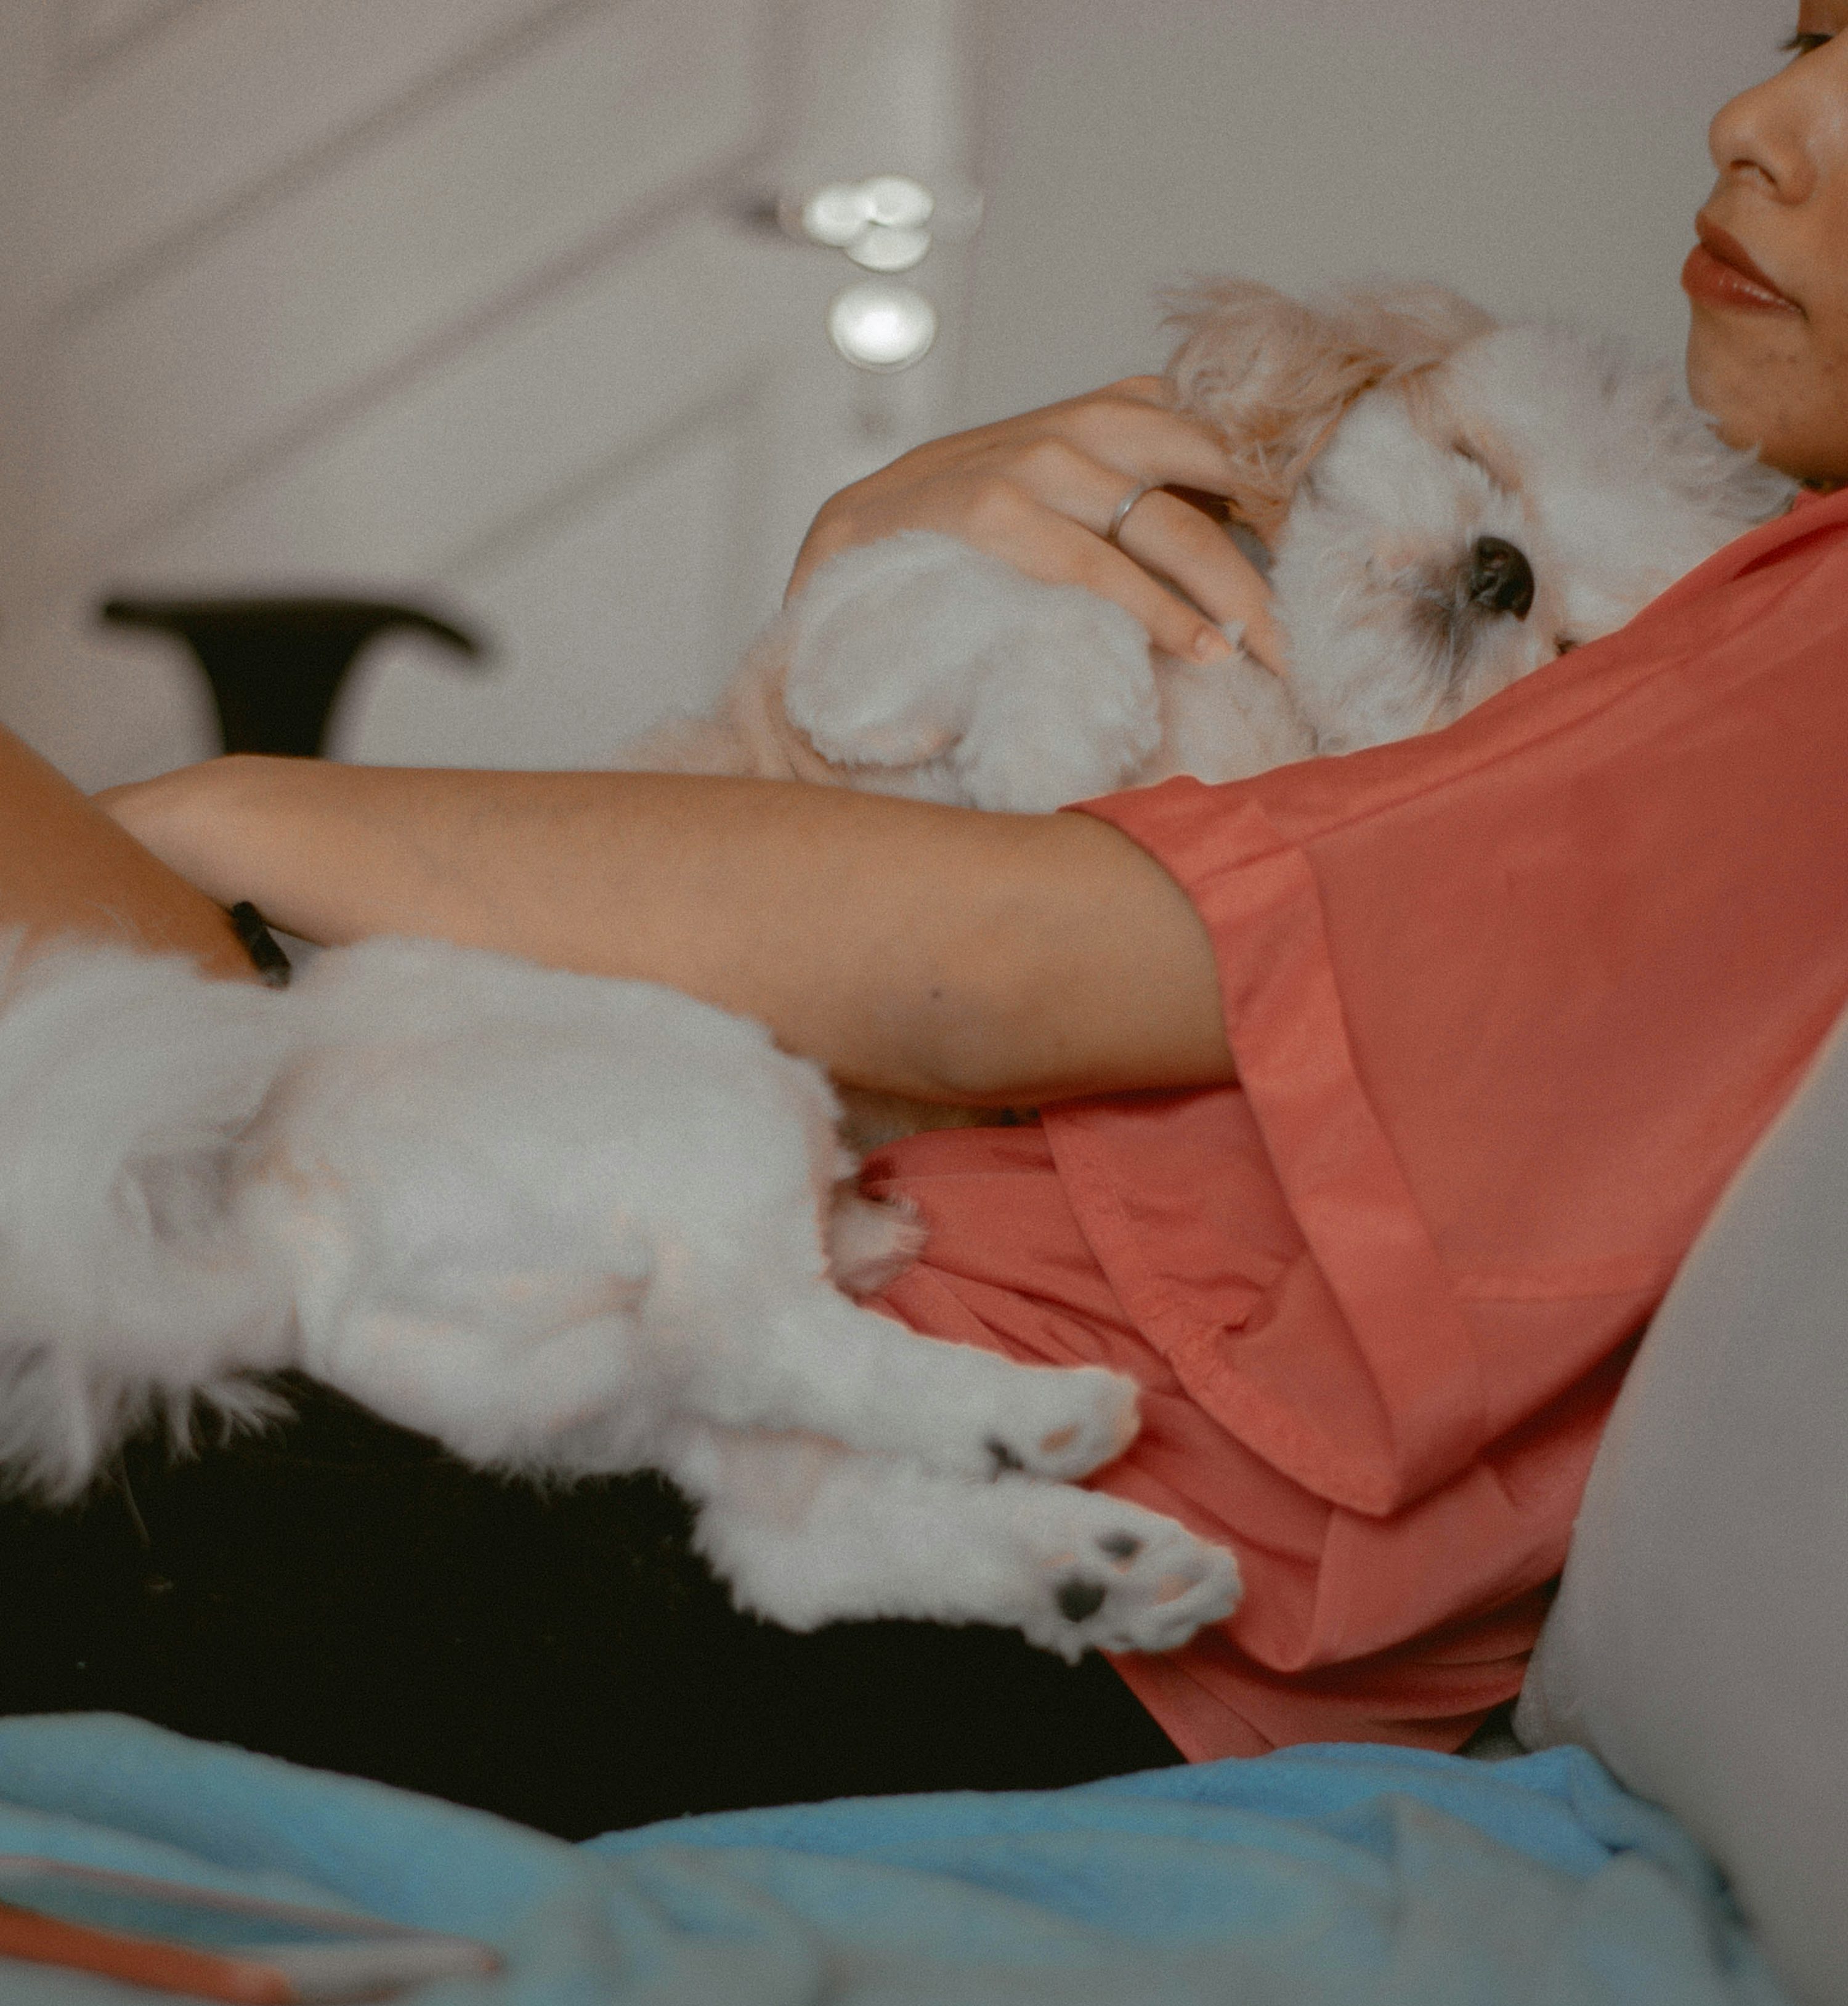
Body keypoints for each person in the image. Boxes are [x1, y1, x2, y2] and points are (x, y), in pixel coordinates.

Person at [5, 9, 1848, 1837]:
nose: (1758, 120)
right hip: (774, 1379)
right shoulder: (1750, 617)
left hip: (929, 1521)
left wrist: (224, 818)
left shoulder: (1807, 653)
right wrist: (867, 553)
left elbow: (1011, 968)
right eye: (1804, 32)